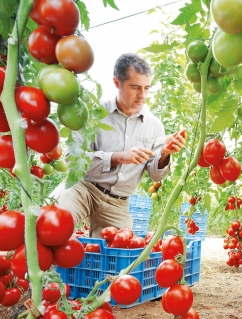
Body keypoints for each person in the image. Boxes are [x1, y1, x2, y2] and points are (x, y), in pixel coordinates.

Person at [56, 53, 186, 238]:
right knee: (55, 223)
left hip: (118, 203)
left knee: (117, 255)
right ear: (117, 83)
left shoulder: (154, 126)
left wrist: (164, 154)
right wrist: (117, 157)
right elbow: (73, 158)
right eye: (135, 87)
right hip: (83, 188)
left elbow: (155, 173)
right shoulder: (93, 113)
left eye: (147, 88)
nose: (143, 95)